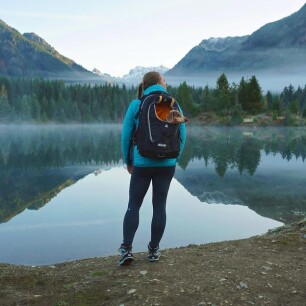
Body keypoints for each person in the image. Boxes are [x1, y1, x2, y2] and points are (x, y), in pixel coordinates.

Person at [119, 71, 186, 266]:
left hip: (142, 162)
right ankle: (154, 250)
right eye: (164, 80)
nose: (166, 83)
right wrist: (174, 158)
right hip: (167, 165)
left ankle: (126, 250)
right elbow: (182, 135)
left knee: (134, 205)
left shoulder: (137, 104)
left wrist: (129, 161)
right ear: (159, 82)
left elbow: (126, 136)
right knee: (160, 206)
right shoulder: (174, 103)